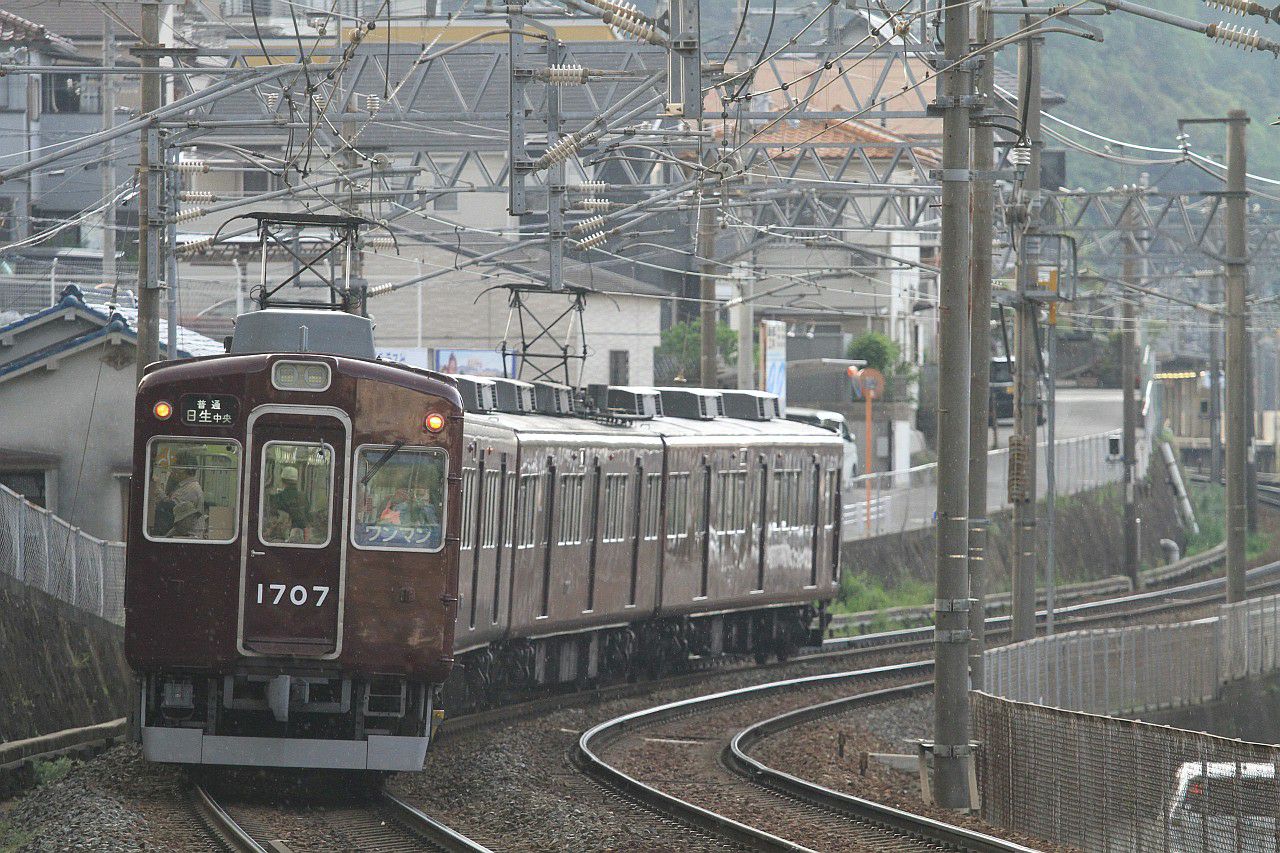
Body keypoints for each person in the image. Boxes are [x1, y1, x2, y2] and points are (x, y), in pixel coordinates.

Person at [268, 465, 311, 540]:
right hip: (302, 537)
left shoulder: (277, 498)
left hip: (281, 538)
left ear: (282, 480)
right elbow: (307, 518)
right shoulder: (303, 497)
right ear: (296, 481)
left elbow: (274, 520)